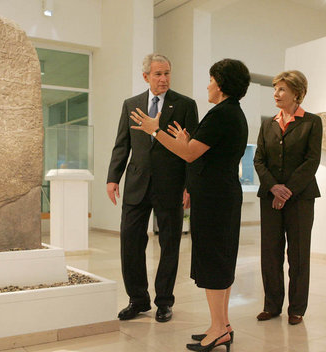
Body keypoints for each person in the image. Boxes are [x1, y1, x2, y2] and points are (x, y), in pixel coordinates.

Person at [130, 58, 250, 352]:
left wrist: (155, 131)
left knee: (214, 263)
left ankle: (219, 329)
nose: (208, 85)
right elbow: (204, 150)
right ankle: (220, 324)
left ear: (221, 84)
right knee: (220, 261)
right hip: (220, 197)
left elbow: (189, 154)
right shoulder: (229, 112)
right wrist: (186, 140)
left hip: (215, 201)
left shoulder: (222, 114)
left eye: (211, 80)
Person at [107, 53, 198, 323]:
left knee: (170, 244)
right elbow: (122, 144)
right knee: (130, 241)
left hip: (171, 185)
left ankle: (164, 302)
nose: (164, 79)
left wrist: (189, 186)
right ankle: (137, 299)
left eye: (167, 73)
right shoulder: (131, 104)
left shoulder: (185, 105)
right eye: (158, 74)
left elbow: (191, 150)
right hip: (136, 183)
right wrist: (113, 177)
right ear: (146, 76)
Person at [254, 70, 322, 325]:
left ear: (297, 93)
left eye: (281, 89)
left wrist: (288, 190)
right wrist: (274, 188)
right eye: (275, 89)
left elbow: (311, 160)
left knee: (298, 253)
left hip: (301, 198)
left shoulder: (312, 122)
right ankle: (272, 305)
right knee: (270, 253)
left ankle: (297, 308)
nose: (276, 94)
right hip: (269, 198)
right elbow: (259, 160)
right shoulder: (267, 123)